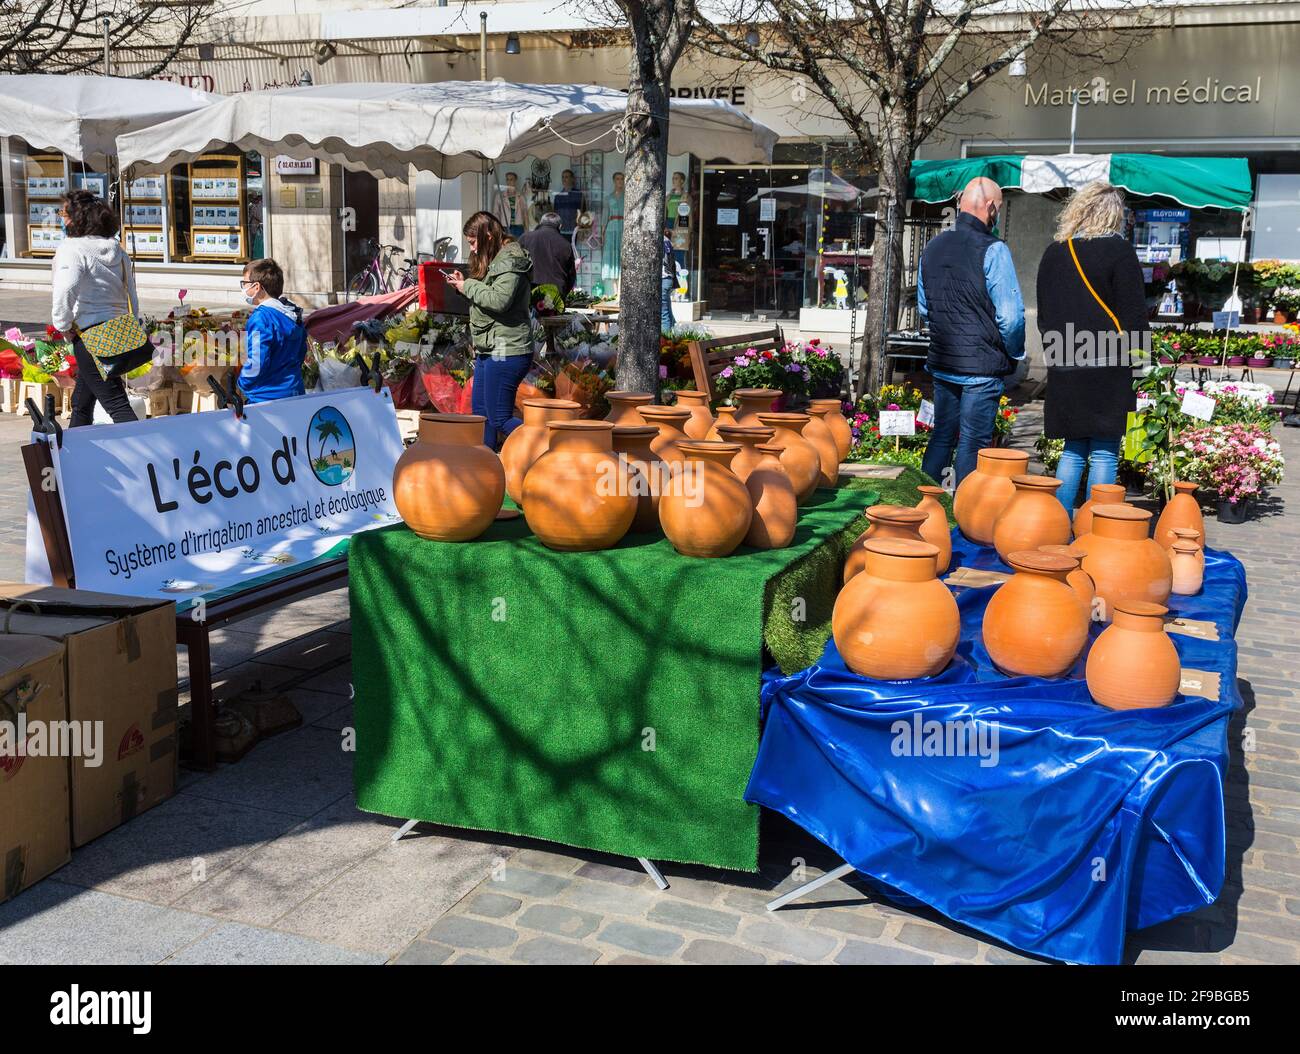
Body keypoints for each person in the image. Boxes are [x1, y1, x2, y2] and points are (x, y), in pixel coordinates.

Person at [1036, 181, 1146, 513]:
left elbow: (1044, 312)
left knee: (1073, 448)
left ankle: (1058, 522)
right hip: (1109, 363)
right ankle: (1096, 526)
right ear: (1115, 215)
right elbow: (1133, 316)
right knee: (1103, 449)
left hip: (1066, 359)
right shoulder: (1120, 252)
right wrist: (1142, 367)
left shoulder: (1055, 252)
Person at [918, 176, 1025, 486]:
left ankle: (926, 508)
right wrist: (1013, 351)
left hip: (944, 361)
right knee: (973, 444)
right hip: (982, 365)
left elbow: (926, 308)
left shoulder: (933, 246)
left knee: (942, 437)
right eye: (999, 209)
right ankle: (964, 515)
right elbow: (1011, 316)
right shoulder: (994, 250)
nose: (998, 215)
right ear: (990, 207)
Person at [50, 190, 142, 426]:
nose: (61, 218)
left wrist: (63, 324)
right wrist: (133, 320)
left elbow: (65, 289)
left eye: (63, 212)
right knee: (82, 402)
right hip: (116, 329)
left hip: (91, 335)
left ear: (76, 217)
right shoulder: (116, 249)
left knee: (117, 405)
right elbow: (131, 291)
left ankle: (147, 458)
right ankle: (73, 454)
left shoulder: (72, 248)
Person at [447, 211, 534, 450]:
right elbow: (489, 299)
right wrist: (462, 285)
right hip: (490, 348)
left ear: (487, 234)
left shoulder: (510, 260)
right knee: (481, 416)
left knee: (499, 418)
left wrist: (469, 285)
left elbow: (499, 300)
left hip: (508, 349)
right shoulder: (498, 259)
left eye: (473, 243)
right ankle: (485, 465)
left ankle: (545, 447)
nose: (473, 250)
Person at [238, 258, 307, 403]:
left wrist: (241, 384)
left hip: (265, 397)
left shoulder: (261, 318)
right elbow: (301, 354)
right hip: (295, 392)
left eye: (244, 284)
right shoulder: (293, 314)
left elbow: (256, 363)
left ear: (256, 287)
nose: (243, 288)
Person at [519, 212, 576, 296]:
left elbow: (515, 264)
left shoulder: (525, 238)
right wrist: (563, 294)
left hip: (528, 293)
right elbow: (571, 276)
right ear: (560, 226)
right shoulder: (565, 244)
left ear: (540, 223)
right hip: (555, 295)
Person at [661, 229, 676, 333]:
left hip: (664, 278)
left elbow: (664, 262)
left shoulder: (661, 242)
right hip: (668, 279)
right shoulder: (668, 242)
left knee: (663, 313)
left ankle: (665, 339)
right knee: (668, 309)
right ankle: (672, 334)